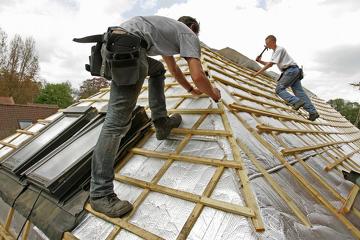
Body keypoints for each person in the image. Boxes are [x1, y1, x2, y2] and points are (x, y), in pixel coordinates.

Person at [89, 16, 221, 218]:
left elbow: (172, 69)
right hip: (127, 51)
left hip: (114, 46)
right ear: (193, 30)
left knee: (156, 69)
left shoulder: (166, 30)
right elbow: (198, 76)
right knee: (116, 125)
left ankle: (161, 122)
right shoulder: (188, 34)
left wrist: (190, 90)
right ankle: (100, 193)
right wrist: (213, 93)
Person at [252, 35, 319, 121]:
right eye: (266, 44)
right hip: (294, 71)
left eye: (267, 43)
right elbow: (270, 63)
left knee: (279, 89)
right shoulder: (276, 52)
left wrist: (257, 73)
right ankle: (313, 112)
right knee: (299, 92)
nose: (266, 45)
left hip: (290, 71)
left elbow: (270, 65)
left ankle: (296, 102)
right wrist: (260, 61)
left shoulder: (279, 49)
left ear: (273, 42)